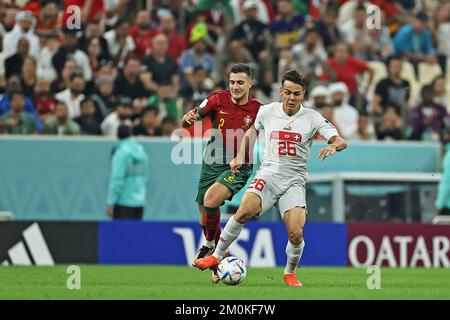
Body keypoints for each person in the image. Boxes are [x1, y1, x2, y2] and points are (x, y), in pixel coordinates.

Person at [194, 70, 347, 286]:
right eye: (287, 93)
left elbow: (340, 140)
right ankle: (216, 256)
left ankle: (289, 272)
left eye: (296, 94)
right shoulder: (267, 111)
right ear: (281, 92)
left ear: (303, 94)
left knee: (295, 233)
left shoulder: (312, 118)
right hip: (268, 175)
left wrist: (333, 145)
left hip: (294, 181)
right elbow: (251, 132)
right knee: (243, 211)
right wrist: (239, 156)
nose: (291, 98)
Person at [180, 63, 262, 282]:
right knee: (204, 217)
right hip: (212, 161)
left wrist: (241, 155)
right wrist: (187, 118)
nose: (235, 87)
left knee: (211, 199)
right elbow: (187, 119)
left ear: (250, 84)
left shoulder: (258, 110)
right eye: (232, 82)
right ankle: (220, 255)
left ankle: (208, 247)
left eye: (240, 82)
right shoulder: (217, 99)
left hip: (239, 164)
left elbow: (258, 134)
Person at [106, 124, 149, 220]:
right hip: (139, 202)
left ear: (117, 135)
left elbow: (117, 179)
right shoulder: (141, 151)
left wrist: (110, 202)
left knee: (121, 234)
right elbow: (145, 176)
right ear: (131, 134)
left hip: (123, 202)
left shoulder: (120, 153)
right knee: (136, 234)